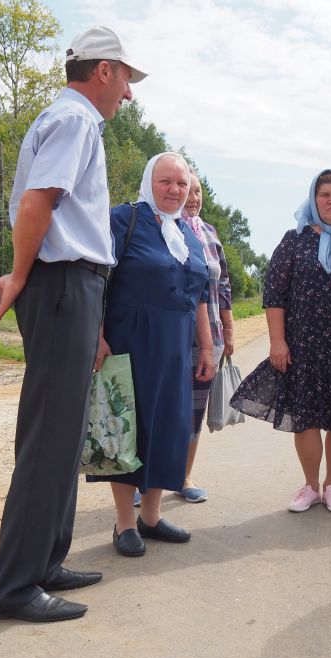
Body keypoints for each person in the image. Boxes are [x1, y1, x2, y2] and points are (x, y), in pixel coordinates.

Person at [0, 26, 147, 622]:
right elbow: (36, 204)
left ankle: (44, 561)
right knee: (50, 436)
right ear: (103, 71)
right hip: (60, 284)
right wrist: (20, 277)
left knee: (66, 433)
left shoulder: (73, 121)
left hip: (75, 286)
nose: (128, 93)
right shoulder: (74, 121)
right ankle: (14, 587)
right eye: (126, 78)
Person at [231, 169, 331, 513]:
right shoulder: (295, 240)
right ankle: (310, 486)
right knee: (306, 417)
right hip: (305, 346)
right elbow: (275, 295)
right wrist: (277, 342)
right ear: (314, 200)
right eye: (325, 194)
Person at [89, 152, 215, 557]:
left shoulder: (188, 235)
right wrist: (96, 334)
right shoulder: (123, 221)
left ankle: (152, 516)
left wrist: (207, 345)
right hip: (131, 340)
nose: (175, 190)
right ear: (149, 181)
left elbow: (198, 295)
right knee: (129, 427)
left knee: (168, 427)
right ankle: (125, 522)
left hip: (177, 346)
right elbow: (94, 280)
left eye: (182, 183)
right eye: (166, 181)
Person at [178, 165, 234, 503]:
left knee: (194, 410)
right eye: (189, 190)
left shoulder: (210, 235)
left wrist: (227, 329)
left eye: (198, 191)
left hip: (208, 336)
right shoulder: (161, 230)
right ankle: (144, 480)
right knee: (160, 406)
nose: (194, 198)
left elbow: (223, 285)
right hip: (172, 336)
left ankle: (183, 477)